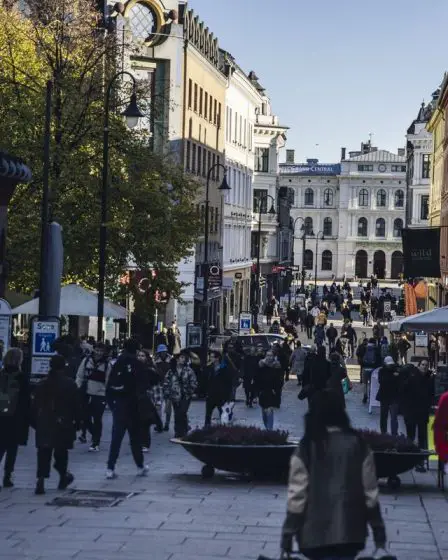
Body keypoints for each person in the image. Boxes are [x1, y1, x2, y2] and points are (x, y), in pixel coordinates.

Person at [281, 390, 386, 559]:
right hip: (350, 531)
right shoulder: (358, 444)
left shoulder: (307, 446)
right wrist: (377, 527)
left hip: (313, 532)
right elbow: (370, 491)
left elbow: (297, 494)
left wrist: (288, 531)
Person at [31, 355, 80, 495]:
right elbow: (76, 406)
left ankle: (40, 480)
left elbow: (34, 407)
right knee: (61, 452)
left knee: (43, 452)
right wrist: (78, 422)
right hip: (63, 422)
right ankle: (62, 476)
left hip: (45, 422)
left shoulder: (41, 384)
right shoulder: (70, 384)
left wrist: (36, 422)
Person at [105, 339, 149, 479]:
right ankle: (140, 466)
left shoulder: (117, 362)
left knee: (116, 438)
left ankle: (110, 467)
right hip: (133, 405)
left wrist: (112, 403)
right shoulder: (137, 364)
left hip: (119, 404)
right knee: (135, 438)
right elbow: (144, 384)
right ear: (136, 350)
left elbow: (110, 383)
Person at [0, 348, 30, 489]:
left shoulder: (1, 374)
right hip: (14, 418)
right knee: (12, 449)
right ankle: (7, 476)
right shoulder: (21, 377)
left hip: (1, 417)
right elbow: (25, 402)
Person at [75, 342, 110, 452]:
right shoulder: (86, 361)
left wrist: (108, 395)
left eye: (101, 351)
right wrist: (77, 387)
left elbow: (108, 380)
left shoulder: (107, 364)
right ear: (94, 350)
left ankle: (96, 442)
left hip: (100, 394)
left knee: (97, 418)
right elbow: (79, 376)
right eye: (97, 350)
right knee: (84, 417)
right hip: (86, 393)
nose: (99, 353)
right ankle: (94, 433)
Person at [400, 359, 434, 471]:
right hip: (411, 412)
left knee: (422, 438)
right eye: (422, 365)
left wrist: (429, 405)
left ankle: (420, 462)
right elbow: (404, 393)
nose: (424, 367)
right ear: (419, 366)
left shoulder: (429, 379)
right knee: (411, 436)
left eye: (426, 365)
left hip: (423, 413)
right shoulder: (412, 377)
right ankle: (410, 460)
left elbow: (431, 395)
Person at [163, 352, 197, 437]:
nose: (183, 359)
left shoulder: (189, 370)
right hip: (174, 395)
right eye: (181, 358)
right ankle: (178, 431)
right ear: (177, 359)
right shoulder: (171, 371)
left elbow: (194, 382)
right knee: (177, 414)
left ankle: (183, 430)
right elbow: (166, 382)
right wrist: (167, 393)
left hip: (186, 396)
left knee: (182, 412)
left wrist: (190, 391)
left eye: (184, 358)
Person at [137, 350, 162, 451]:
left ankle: (145, 444)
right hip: (135, 399)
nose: (140, 357)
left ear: (147, 358)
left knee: (145, 423)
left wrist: (158, 401)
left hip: (147, 399)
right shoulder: (132, 369)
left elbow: (156, 387)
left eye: (142, 356)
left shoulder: (150, 371)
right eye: (139, 355)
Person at [255, 349, 283, 429]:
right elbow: (257, 379)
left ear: (274, 357)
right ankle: (267, 427)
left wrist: (277, 390)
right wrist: (257, 392)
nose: (269, 357)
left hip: (272, 392)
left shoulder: (276, 366)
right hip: (263, 391)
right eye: (267, 355)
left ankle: (269, 431)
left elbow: (280, 379)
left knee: (269, 411)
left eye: (271, 355)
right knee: (264, 412)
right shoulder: (261, 365)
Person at [204, 351, 233, 426]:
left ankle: (223, 431)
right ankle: (206, 430)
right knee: (208, 415)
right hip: (211, 395)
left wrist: (228, 396)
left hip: (221, 396)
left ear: (217, 358)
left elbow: (229, 383)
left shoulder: (224, 368)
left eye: (212, 357)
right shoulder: (209, 368)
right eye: (210, 357)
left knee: (223, 415)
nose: (211, 358)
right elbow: (206, 381)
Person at [377, 356, 401, 436]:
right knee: (384, 415)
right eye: (388, 364)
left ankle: (394, 434)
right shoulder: (382, 371)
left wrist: (394, 377)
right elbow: (382, 381)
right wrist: (393, 377)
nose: (390, 366)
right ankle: (383, 433)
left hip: (393, 396)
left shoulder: (396, 369)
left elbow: (398, 382)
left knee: (393, 417)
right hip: (385, 396)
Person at [154, 344, 173, 431]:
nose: (162, 353)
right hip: (158, 385)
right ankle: (159, 424)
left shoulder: (171, 360)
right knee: (158, 406)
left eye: (164, 352)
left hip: (169, 385)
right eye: (161, 352)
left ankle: (167, 424)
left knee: (168, 407)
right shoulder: (155, 360)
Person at [361, 338, 381, 405]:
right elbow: (379, 360)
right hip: (373, 369)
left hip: (365, 368)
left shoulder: (364, 348)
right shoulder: (376, 349)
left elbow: (359, 356)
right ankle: (370, 396)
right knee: (371, 383)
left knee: (365, 383)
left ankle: (365, 395)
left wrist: (363, 364)